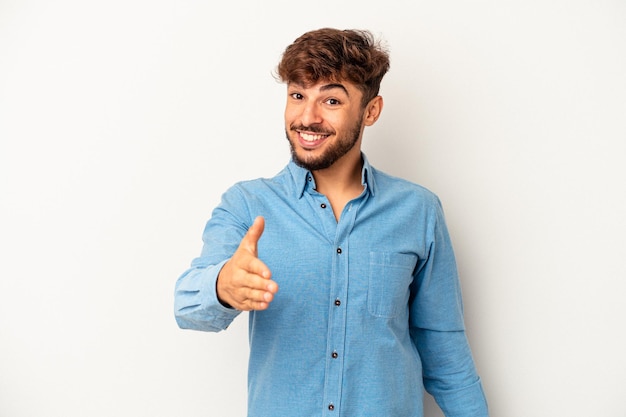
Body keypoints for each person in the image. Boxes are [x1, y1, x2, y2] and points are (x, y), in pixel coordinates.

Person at [174, 27, 488, 417]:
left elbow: (445, 352)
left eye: (332, 100)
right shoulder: (247, 204)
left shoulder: (418, 211)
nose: (308, 117)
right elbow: (187, 308)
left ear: (370, 111)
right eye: (297, 95)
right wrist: (223, 285)